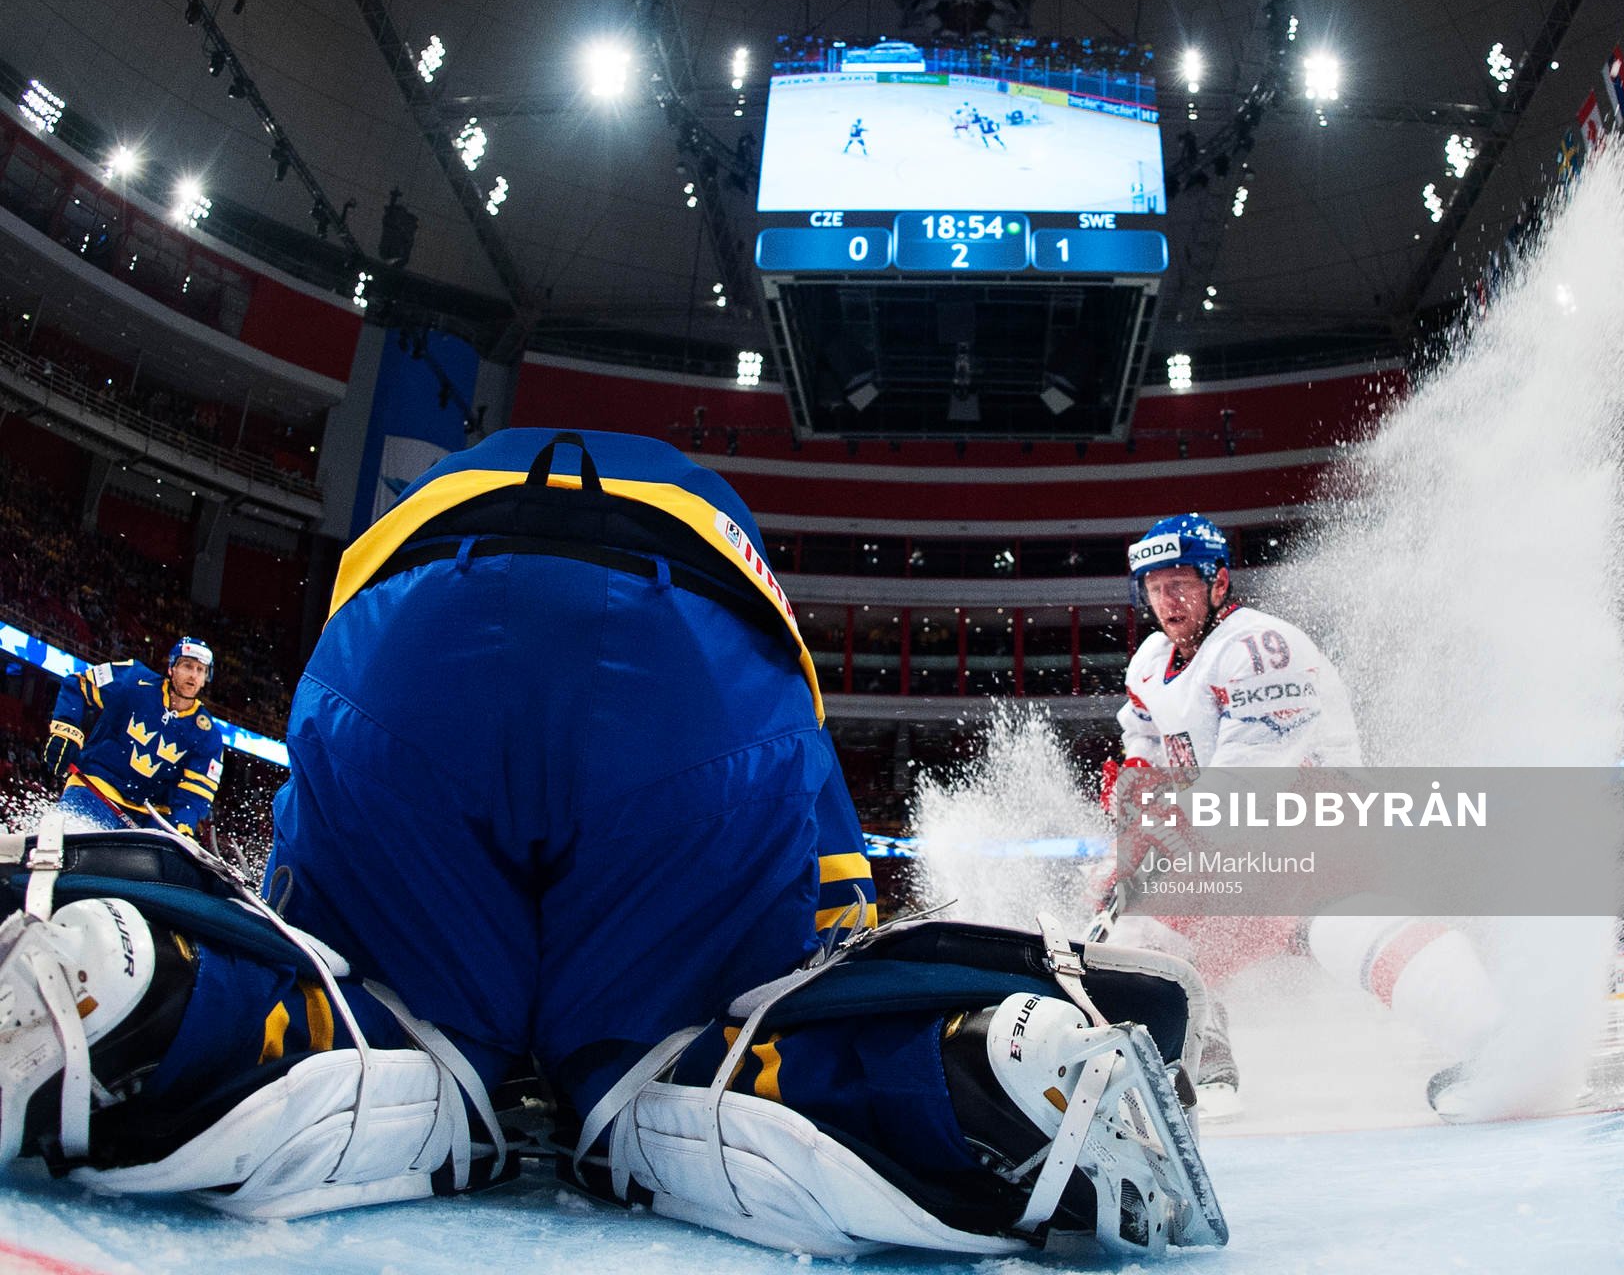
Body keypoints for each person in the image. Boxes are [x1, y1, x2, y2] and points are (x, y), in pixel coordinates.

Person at [0, 430, 1223, 1257]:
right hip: (694, 667)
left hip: (404, 636)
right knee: (680, 1060)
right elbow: (831, 909)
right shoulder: (1197, 655)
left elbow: (307, 897)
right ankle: (970, 1074)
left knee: (370, 1010)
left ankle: (142, 985)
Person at [1099, 514, 1501, 1120]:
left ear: (1218, 582)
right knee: (1142, 941)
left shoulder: (1259, 647)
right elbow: (1146, 742)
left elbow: (1251, 776)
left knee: (1341, 926)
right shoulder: (1152, 661)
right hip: (1230, 842)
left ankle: (1497, 1045)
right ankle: (1203, 1077)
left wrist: (1160, 833)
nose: (1167, 600)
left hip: (1314, 818)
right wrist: (1137, 796)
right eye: (1155, 588)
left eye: (1180, 583)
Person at [43, 637, 223, 839]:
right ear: (171, 668)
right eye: (187, 666)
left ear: (205, 678)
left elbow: (195, 794)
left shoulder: (209, 736)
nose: (193, 675)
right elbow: (79, 684)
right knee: (67, 842)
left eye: (200, 670)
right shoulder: (133, 679)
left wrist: (182, 827)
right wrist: (66, 732)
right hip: (95, 789)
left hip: (152, 817)